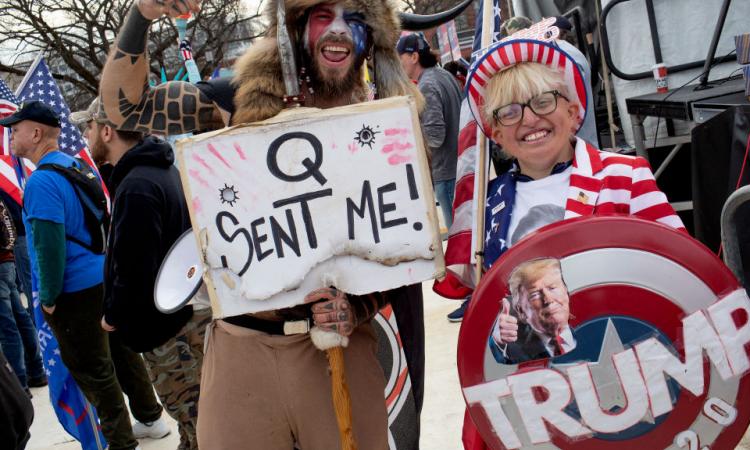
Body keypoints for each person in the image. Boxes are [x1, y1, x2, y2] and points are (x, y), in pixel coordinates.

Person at [99, 0, 458, 447]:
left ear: (374, 39)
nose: (340, 31)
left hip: (338, 350)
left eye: (356, 19)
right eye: (325, 15)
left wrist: (357, 309)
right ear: (296, 26)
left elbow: (400, 247)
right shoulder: (238, 98)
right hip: (243, 346)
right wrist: (143, 14)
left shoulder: (384, 121)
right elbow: (126, 110)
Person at [443, 22, 685, 449]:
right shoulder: (488, 208)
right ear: (496, 133)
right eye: (510, 112)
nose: (530, 119)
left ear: (573, 112)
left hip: (625, 370)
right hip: (541, 394)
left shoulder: (622, 175)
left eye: (543, 101)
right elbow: (491, 310)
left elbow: (679, 273)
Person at [1, 100, 163, 450]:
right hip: (101, 274)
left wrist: (48, 298)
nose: (10, 136)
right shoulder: (75, 166)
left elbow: (48, 248)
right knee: (122, 354)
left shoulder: (42, 181)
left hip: (73, 290)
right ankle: (150, 417)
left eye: (15, 130)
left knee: (93, 370)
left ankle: (121, 443)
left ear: (36, 133)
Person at [71, 98, 210, 449]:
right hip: (177, 319)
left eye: (88, 128)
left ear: (107, 131)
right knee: (193, 420)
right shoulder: (156, 170)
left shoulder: (137, 185)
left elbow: (134, 268)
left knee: (197, 420)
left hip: (167, 330)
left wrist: (112, 315)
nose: (85, 137)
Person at [501, 15, 599, 149]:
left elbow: (565, 97)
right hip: (572, 147)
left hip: (576, 148)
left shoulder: (558, 55)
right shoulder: (555, 51)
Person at [397, 34, 461, 232]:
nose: (399, 65)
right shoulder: (443, 75)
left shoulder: (427, 85)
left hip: (447, 173)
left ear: (413, 57)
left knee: (461, 241)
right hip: (458, 167)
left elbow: (434, 137)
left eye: (400, 59)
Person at [0, 194, 46, 394]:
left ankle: (20, 383)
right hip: (6, 261)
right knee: (19, 316)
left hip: (3, 261)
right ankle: (35, 371)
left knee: (7, 325)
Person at [489, 257, 575, 364]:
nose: (548, 299)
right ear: (521, 311)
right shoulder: (518, 352)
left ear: (566, 291)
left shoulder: (592, 330)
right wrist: (498, 342)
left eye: (552, 288)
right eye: (535, 294)